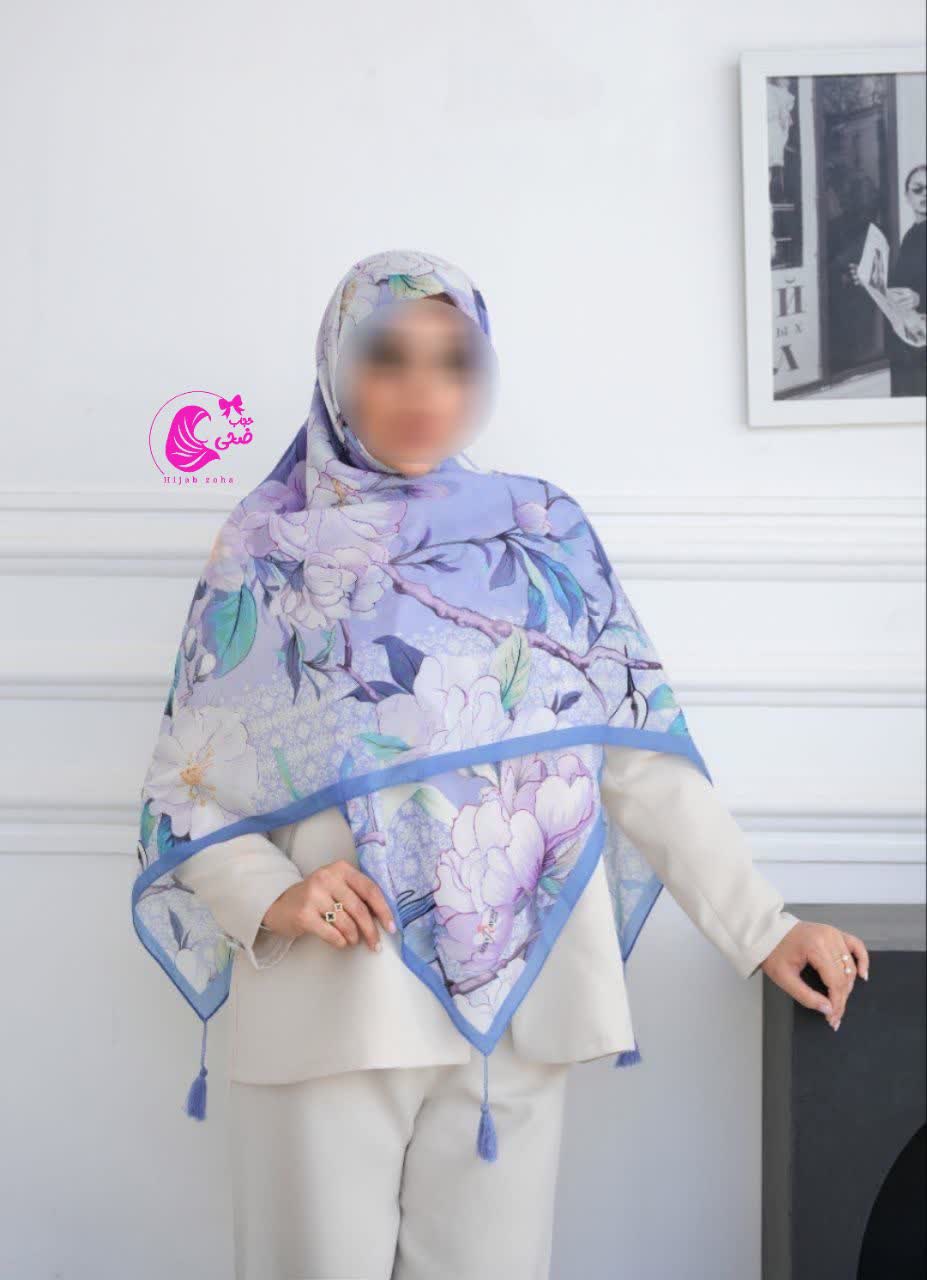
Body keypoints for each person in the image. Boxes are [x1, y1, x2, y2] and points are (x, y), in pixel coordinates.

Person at [144, 249, 869, 1280]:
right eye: (388, 357)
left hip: (513, 1008)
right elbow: (190, 782)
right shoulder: (264, 551)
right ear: (336, 368)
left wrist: (765, 926)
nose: (422, 391)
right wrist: (272, 892)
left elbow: (634, 756)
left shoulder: (542, 534)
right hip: (331, 1000)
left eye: (453, 361)